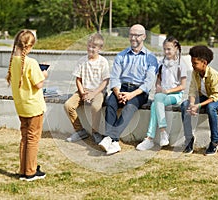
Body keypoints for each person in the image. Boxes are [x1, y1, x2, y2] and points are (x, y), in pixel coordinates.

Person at [98, 24, 158, 155]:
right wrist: (118, 93)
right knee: (111, 103)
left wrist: (131, 95)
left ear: (144, 37)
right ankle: (113, 142)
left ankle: (110, 137)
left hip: (139, 92)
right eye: (131, 35)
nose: (133, 38)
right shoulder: (121, 55)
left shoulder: (151, 58)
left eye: (137, 35)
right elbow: (115, 77)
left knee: (129, 107)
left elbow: (148, 83)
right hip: (121, 88)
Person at [6, 29, 47, 181]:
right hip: (34, 107)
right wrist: (44, 74)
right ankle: (30, 172)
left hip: (21, 106)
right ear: (29, 47)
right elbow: (38, 84)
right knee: (33, 139)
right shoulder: (31, 62)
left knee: (25, 137)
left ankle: (24, 169)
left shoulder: (13, 61)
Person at [136, 36, 187, 151]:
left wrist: (167, 91)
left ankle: (154, 136)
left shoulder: (181, 65)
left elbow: (183, 86)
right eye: (164, 49)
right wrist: (158, 87)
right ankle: (155, 136)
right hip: (162, 95)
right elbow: (158, 81)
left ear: (176, 49)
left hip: (175, 95)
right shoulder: (162, 63)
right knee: (156, 103)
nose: (166, 52)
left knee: (157, 100)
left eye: (169, 49)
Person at [181, 45, 218, 156]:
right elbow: (193, 90)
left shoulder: (214, 74)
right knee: (184, 105)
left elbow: (215, 96)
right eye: (192, 63)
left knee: (211, 108)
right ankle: (189, 139)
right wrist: (191, 105)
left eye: (195, 63)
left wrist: (198, 105)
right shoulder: (195, 73)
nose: (192, 66)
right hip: (205, 97)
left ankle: (214, 141)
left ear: (204, 62)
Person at [64, 33, 110, 144]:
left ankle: (95, 132)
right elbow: (78, 79)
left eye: (93, 47)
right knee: (68, 105)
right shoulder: (81, 61)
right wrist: (82, 93)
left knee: (95, 107)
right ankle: (80, 131)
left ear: (99, 49)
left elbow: (105, 81)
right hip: (83, 90)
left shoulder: (103, 62)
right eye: (89, 46)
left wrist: (93, 94)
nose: (90, 49)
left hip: (97, 91)